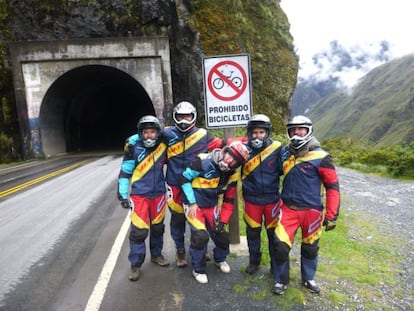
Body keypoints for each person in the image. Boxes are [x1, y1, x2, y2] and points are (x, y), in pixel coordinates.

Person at [272, 115, 340, 295]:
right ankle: (281, 280)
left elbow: (333, 187)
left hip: (312, 212)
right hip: (287, 210)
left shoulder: (322, 157)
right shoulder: (285, 154)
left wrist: (332, 215)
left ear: (309, 130)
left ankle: (308, 278)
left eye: (301, 129)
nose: (296, 133)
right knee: (280, 246)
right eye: (293, 130)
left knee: (310, 248)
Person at [163, 101, 229, 267]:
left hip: (195, 185)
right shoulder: (167, 134)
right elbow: (146, 136)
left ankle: (202, 249)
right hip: (174, 185)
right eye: (180, 116)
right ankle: (180, 250)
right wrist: (132, 140)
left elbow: (224, 144)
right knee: (177, 219)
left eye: (187, 116)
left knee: (199, 219)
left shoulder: (203, 135)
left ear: (193, 117)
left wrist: (250, 140)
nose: (184, 120)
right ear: (175, 117)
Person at [180, 141, 249, 284]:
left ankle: (220, 259)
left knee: (222, 235)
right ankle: (198, 269)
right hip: (194, 205)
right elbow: (184, 179)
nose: (231, 161)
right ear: (225, 151)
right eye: (231, 155)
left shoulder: (232, 175)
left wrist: (222, 222)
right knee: (200, 236)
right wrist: (191, 202)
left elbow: (229, 201)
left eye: (236, 161)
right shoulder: (203, 161)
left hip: (211, 206)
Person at [117, 115, 169, 282]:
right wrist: (123, 194)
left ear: (157, 133)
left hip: (159, 194)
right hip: (139, 196)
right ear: (141, 133)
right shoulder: (133, 147)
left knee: (158, 228)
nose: (149, 136)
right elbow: (125, 172)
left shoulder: (163, 145)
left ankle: (156, 255)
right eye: (145, 132)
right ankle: (136, 265)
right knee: (139, 232)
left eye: (152, 132)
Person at [241, 114, 284, 274]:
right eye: (254, 132)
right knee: (253, 232)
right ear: (249, 133)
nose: (257, 136)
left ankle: (275, 264)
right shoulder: (243, 150)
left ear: (267, 133)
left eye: (261, 132)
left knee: (273, 233)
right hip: (251, 199)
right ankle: (254, 261)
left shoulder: (277, 148)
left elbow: (282, 169)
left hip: (272, 199)